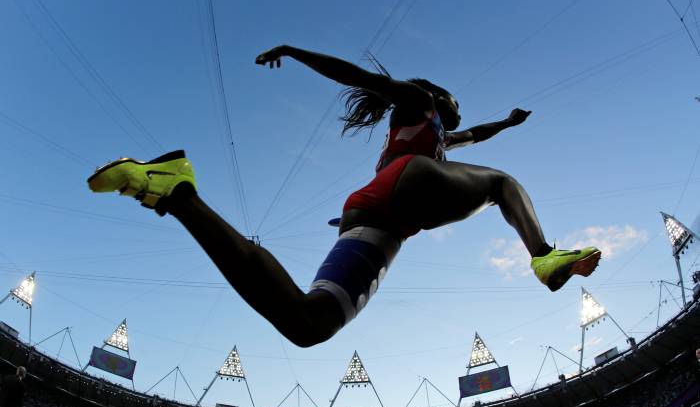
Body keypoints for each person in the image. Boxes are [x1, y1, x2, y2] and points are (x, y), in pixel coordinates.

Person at [87, 45, 601, 348]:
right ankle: (543, 255)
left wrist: (507, 122)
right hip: (403, 186)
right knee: (502, 184)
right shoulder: (420, 102)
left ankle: (176, 191)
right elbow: (360, 78)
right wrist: (294, 52)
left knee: (308, 323)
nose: (459, 111)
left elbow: (476, 134)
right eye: (456, 102)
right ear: (439, 96)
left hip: (371, 216)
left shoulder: (441, 137)